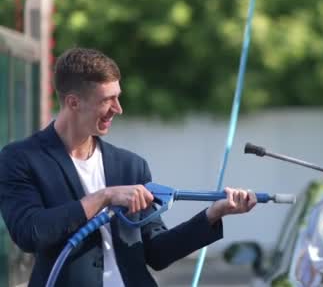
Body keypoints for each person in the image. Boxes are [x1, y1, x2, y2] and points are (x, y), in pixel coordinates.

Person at [0, 48, 258, 286]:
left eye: (118, 98)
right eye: (107, 100)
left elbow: (156, 252)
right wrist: (104, 197)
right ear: (73, 102)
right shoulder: (21, 159)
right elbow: (29, 232)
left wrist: (213, 215)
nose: (118, 109)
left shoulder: (130, 166)